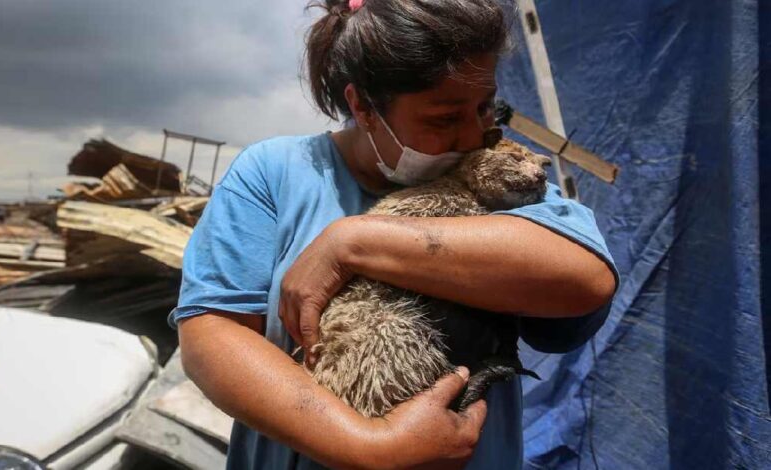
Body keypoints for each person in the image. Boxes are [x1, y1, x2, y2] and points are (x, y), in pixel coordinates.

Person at [171, 0, 619, 468]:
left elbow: (584, 278)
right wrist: (369, 444)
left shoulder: (501, 179)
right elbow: (212, 336)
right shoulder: (274, 173)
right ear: (362, 105)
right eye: (444, 118)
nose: (472, 136)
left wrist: (353, 243)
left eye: (485, 107)